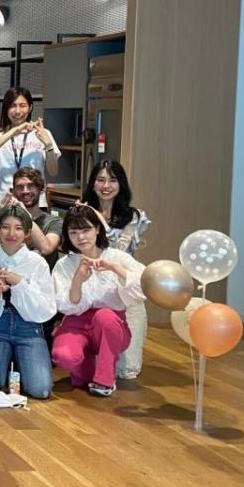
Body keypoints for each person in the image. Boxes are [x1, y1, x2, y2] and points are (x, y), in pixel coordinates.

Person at [51, 206, 146, 397]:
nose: (81, 237)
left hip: (111, 324)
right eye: (74, 232)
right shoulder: (64, 264)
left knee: (105, 316)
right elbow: (63, 305)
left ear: (97, 229)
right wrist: (77, 280)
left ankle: (105, 380)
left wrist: (115, 268)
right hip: (76, 322)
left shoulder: (117, 257)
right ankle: (87, 373)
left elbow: (144, 284)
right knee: (63, 355)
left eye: (86, 230)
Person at [0, 206, 58, 399]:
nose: (11, 233)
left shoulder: (37, 262)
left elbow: (47, 310)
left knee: (40, 390)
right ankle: (7, 364)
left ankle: (16, 365)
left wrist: (19, 283)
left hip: (29, 328)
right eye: (5, 227)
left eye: (18, 228)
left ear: (26, 232)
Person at [82, 159, 150, 380]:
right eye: (100, 180)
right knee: (90, 366)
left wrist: (97, 217)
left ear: (121, 184)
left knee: (127, 370)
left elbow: (118, 249)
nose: (106, 185)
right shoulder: (82, 213)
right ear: (92, 184)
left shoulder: (135, 217)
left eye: (112, 180)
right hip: (93, 289)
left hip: (125, 288)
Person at [0, 87, 60, 209]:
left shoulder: (43, 133)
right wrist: (14, 131)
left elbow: (53, 171)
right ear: (6, 109)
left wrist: (48, 145)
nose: (17, 111)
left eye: (22, 105)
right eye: (12, 106)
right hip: (4, 202)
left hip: (36, 203)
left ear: (30, 108)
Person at [0, 167, 62, 269]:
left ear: (41, 189)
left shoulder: (54, 222)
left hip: (39, 281)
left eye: (30, 186)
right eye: (20, 187)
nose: (25, 191)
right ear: (13, 191)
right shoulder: (5, 220)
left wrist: (26, 216)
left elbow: (46, 248)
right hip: (6, 278)